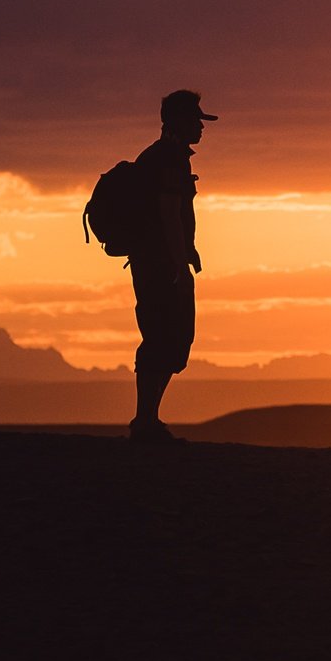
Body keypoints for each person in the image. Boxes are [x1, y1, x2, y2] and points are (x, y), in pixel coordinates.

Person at [129, 89, 216, 442]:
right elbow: (168, 214)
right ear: (179, 121)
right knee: (163, 337)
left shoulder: (166, 156)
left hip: (158, 262)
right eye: (196, 120)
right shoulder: (169, 160)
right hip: (161, 265)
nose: (201, 127)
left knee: (166, 339)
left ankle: (147, 419)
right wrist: (180, 264)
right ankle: (145, 421)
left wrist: (187, 251)